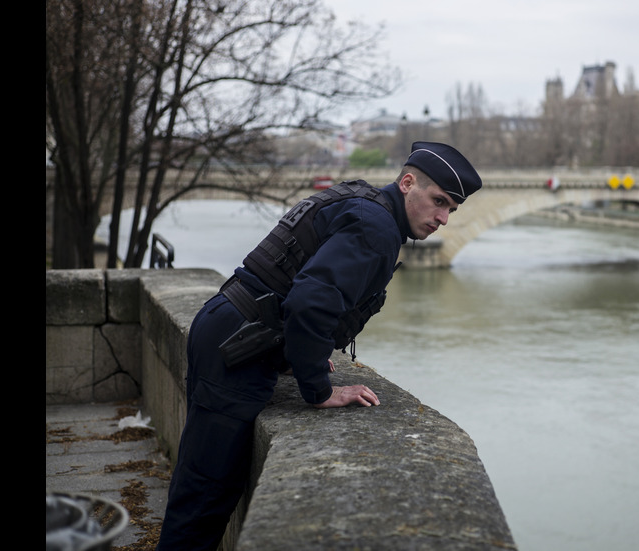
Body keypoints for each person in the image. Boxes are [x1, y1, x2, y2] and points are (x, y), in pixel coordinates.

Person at [155, 142, 482, 551]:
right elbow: (309, 302)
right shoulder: (376, 228)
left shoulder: (361, 202)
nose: (443, 219)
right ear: (407, 183)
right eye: (438, 202)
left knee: (200, 482)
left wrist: (304, 352)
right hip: (238, 349)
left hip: (230, 328)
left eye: (451, 209)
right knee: (205, 496)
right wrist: (319, 389)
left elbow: (296, 285)